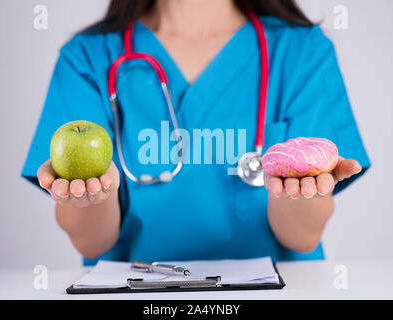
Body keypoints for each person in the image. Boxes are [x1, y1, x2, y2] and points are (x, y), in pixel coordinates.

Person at [22, 0, 370, 265]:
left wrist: (296, 188)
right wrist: (91, 197)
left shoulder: (302, 52)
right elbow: (91, 242)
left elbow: (302, 237)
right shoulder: (87, 57)